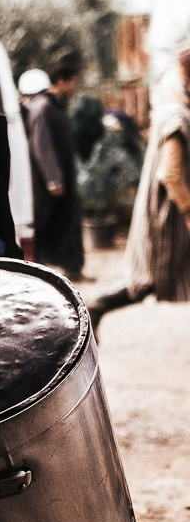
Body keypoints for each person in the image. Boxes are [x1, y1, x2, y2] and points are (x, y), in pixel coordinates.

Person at [88, 47, 190, 331]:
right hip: (167, 217)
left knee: (153, 278)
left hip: (167, 214)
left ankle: (98, 306)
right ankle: (97, 306)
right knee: (150, 278)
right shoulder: (177, 117)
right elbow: (170, 173)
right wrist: (189, 210)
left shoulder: (174, 111)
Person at [27, 52, 86, 280]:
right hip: (49, 185)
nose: (74, 87)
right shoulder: (43, 107)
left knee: (66, 224)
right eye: (72, 82)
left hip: (62, 181)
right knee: (46, 226)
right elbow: (42, 145)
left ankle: (71, 268)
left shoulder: (57, 107)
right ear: (61, 80)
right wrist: (53, 178)